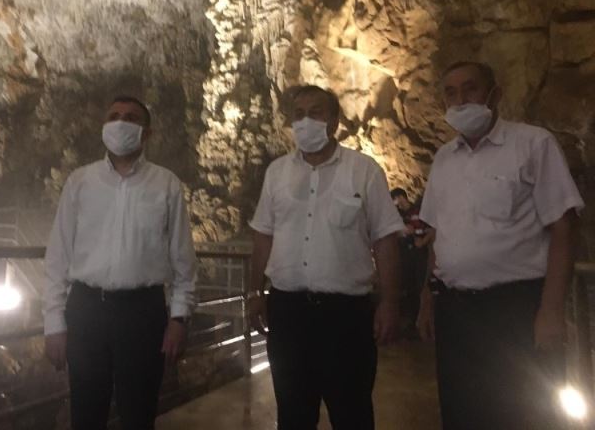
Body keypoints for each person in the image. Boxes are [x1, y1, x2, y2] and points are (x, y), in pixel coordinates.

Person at [417, 61, 585, 430]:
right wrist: (428, 298)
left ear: (494, 95)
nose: (461, 100)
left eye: (471, 89)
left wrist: (551, 310)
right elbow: (437, 234)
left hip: (514, 308)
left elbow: (563, 227)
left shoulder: (533, 144)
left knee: (522, 412)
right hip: (456, 311)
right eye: (451, 93)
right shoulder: (444, 159)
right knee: (462, 411)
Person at [247, 85, 403, 430]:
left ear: (333, 121)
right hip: (288, 312)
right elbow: (263, 235)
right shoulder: (277, 172)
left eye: (315, 112)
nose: (305, 121)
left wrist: (390, 302)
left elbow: (385, 239)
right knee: (292, 413)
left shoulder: (364, 170)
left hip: (345, 315)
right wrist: (255, 292)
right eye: (298, 114)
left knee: (352, 413)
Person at [43, 96, 197, 430]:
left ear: (147, 133)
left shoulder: (166, 184)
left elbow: (183, 259)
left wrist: (179, 319)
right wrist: (53, 322)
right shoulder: (80, 182)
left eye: (130, 118)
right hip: (86, 310)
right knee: (86, 412)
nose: (120, 123)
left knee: (139, 413)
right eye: (113, 116)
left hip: (143, 312)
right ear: (103, 127)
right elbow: (58, 255)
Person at [391, 188, 429, 336]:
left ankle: (422, 321)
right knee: (410, 286)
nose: (396, 203)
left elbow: (429, 229)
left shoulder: (419, 211)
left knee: (420, 285)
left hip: (420, 254)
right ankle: (412, 322)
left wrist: (421, 240)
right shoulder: (401, 216)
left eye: (396, 199)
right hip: (407, 255)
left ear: (401, 197)